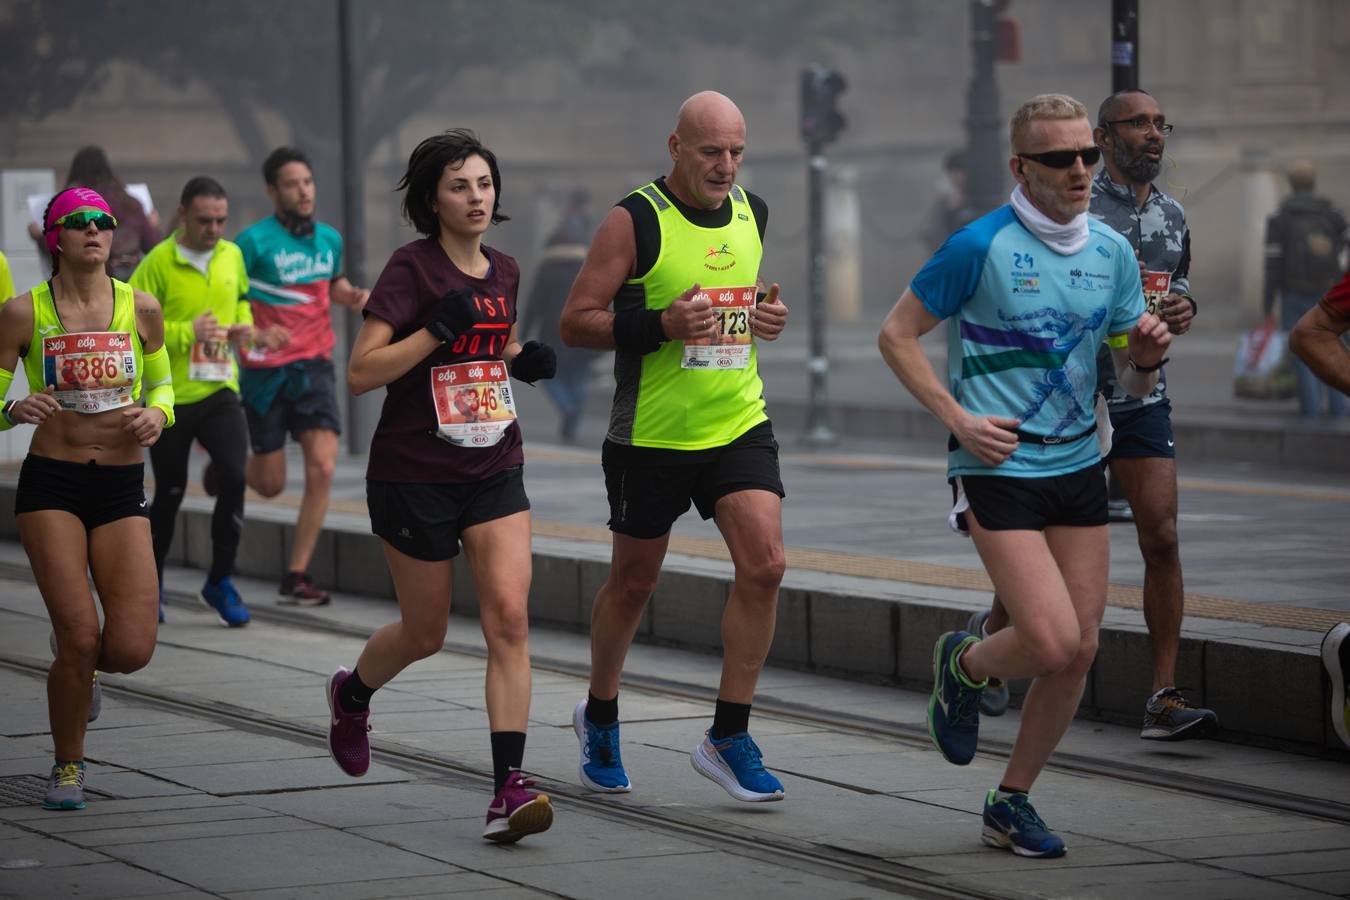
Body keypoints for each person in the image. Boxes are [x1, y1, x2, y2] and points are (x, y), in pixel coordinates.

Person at [878, 94, 1171, 858]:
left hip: (1079, 459)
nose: (1080, 169)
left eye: (1085, 154)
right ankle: (965, 663)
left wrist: (1144, 358)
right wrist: (957, 419)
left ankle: (1011, 801)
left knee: (1079, 650)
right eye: (1059, 159)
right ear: (1020, 168)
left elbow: (1131, 383)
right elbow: (897, 334)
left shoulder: (1109, 253)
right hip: (995, 463)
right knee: (1045, 639)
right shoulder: (979, 245)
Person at [559, 91, 792, 803]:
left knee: (767, 566)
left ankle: (728, 735)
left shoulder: (753, 212)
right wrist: (660, 324)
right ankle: (599, 714)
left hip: (736, 422)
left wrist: (764, 318)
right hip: (650, 437)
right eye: (711, 152)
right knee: (634, 584)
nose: (726, 166)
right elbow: (575, 322)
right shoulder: (633, 221)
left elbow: (739, 308)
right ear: (676, 147)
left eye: (736, 151)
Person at [325, 129, 557, 843]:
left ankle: (508, 787)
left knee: (508, 620)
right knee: (425, 632)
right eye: (459, 186)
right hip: (413, 473)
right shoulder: (411, 270)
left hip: (493, 465)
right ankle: (353, 693)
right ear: (433, 199)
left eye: (484, 183)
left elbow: (489, 342)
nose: (476, 197)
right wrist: (432, 332)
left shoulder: (507, 270)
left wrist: (520, 357)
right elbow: (361, 373)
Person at [973, 89, 1217, 742]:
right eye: (1138, 124)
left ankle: (1163, 695)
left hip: (1140, 393)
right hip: (1067, 400)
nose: (1154, 134)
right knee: (1048, 539)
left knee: (1161, 534)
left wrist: (1183, 310)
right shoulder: (1073, 208)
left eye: (1160, 123)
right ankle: (991, 640)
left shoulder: (1172, 214)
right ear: (1102, 141)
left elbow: (1177, 285)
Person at [0, 187, 174, 810]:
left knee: (129, 647)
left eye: (102, 222)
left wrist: (158, 412)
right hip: (53, 481)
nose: (95, 232)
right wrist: (11, 407)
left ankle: (81, 664)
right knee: (79, 636)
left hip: (122, 485)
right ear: (55, 238)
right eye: (78, 224)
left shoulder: (140, 307)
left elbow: (163, 383)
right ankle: (67, 766)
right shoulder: (23, 313)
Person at [233, 147, 369, 605]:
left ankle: (297, 574)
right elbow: (229, 301)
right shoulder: (250, 244)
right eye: (292, 184)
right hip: (265, 371)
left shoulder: (329, 240)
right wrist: (252, 331)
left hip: (314, 365)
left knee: (323, 467)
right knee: (270, 484)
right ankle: (228, 466)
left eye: (308, 182)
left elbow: (333, 285)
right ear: (273, 191)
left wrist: (353, 297)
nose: (303, 190)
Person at [130, 177, 257, 627]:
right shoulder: (158, 263)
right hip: (172, 398)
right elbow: (136, 326)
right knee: (170, 491)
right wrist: (188, 333)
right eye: (205, 220)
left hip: (221, 386)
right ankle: (153, 581)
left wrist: (242, 325)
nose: (215, 229)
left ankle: (220, 579)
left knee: (236, 477)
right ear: (183, 214)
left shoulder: (232, 255)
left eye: (222, 220)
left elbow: (240, 301)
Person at [1263, 160, 1349, 419]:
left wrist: (1268, 303)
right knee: (1336, 347)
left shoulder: (1280, 217)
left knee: (1303, 349)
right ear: (1313, 182)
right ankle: (1339, 410)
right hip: (1331, 292)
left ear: (1291, 183)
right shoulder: (1333, 214)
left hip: (1294, 293)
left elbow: (1273, 264)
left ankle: (1310, 411)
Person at [521, 190, 598, 442]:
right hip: (584, 331)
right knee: (579, 375)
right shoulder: (584, 267)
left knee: (550, 375)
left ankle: (567, 408)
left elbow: (534, 303)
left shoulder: (546, 269)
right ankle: (574, 408)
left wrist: (522, 334)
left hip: (552, 333)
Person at [28, 147, 161, 281]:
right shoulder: (130, 203)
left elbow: (60, 246)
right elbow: (154, 246)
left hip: (91, 282)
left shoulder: (75, 204)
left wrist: (39, 236)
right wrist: (152, 226)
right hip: (131, 280)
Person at [922, 149, 977, 252]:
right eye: (952, 173)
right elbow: (934, 234)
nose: (956, 177)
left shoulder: (980, 200)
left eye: (960, 172)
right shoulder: (944, 201)